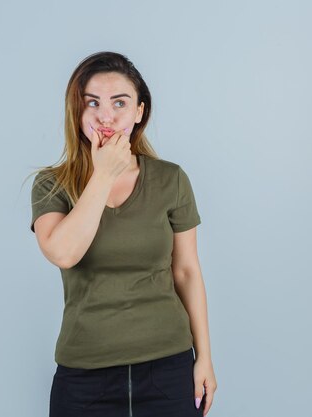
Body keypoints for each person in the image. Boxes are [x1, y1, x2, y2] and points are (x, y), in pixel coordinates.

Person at [28, 51, 217, 417]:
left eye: (120, 102)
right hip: (84, 375)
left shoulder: (171, 179)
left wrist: (205, 357)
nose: (106, 115)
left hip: (168, 369)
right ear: (77, 111)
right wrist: (103, 175)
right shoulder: (52, 185)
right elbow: (64, 253)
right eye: (92, 103)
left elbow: (187, 272)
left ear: (139, 112)